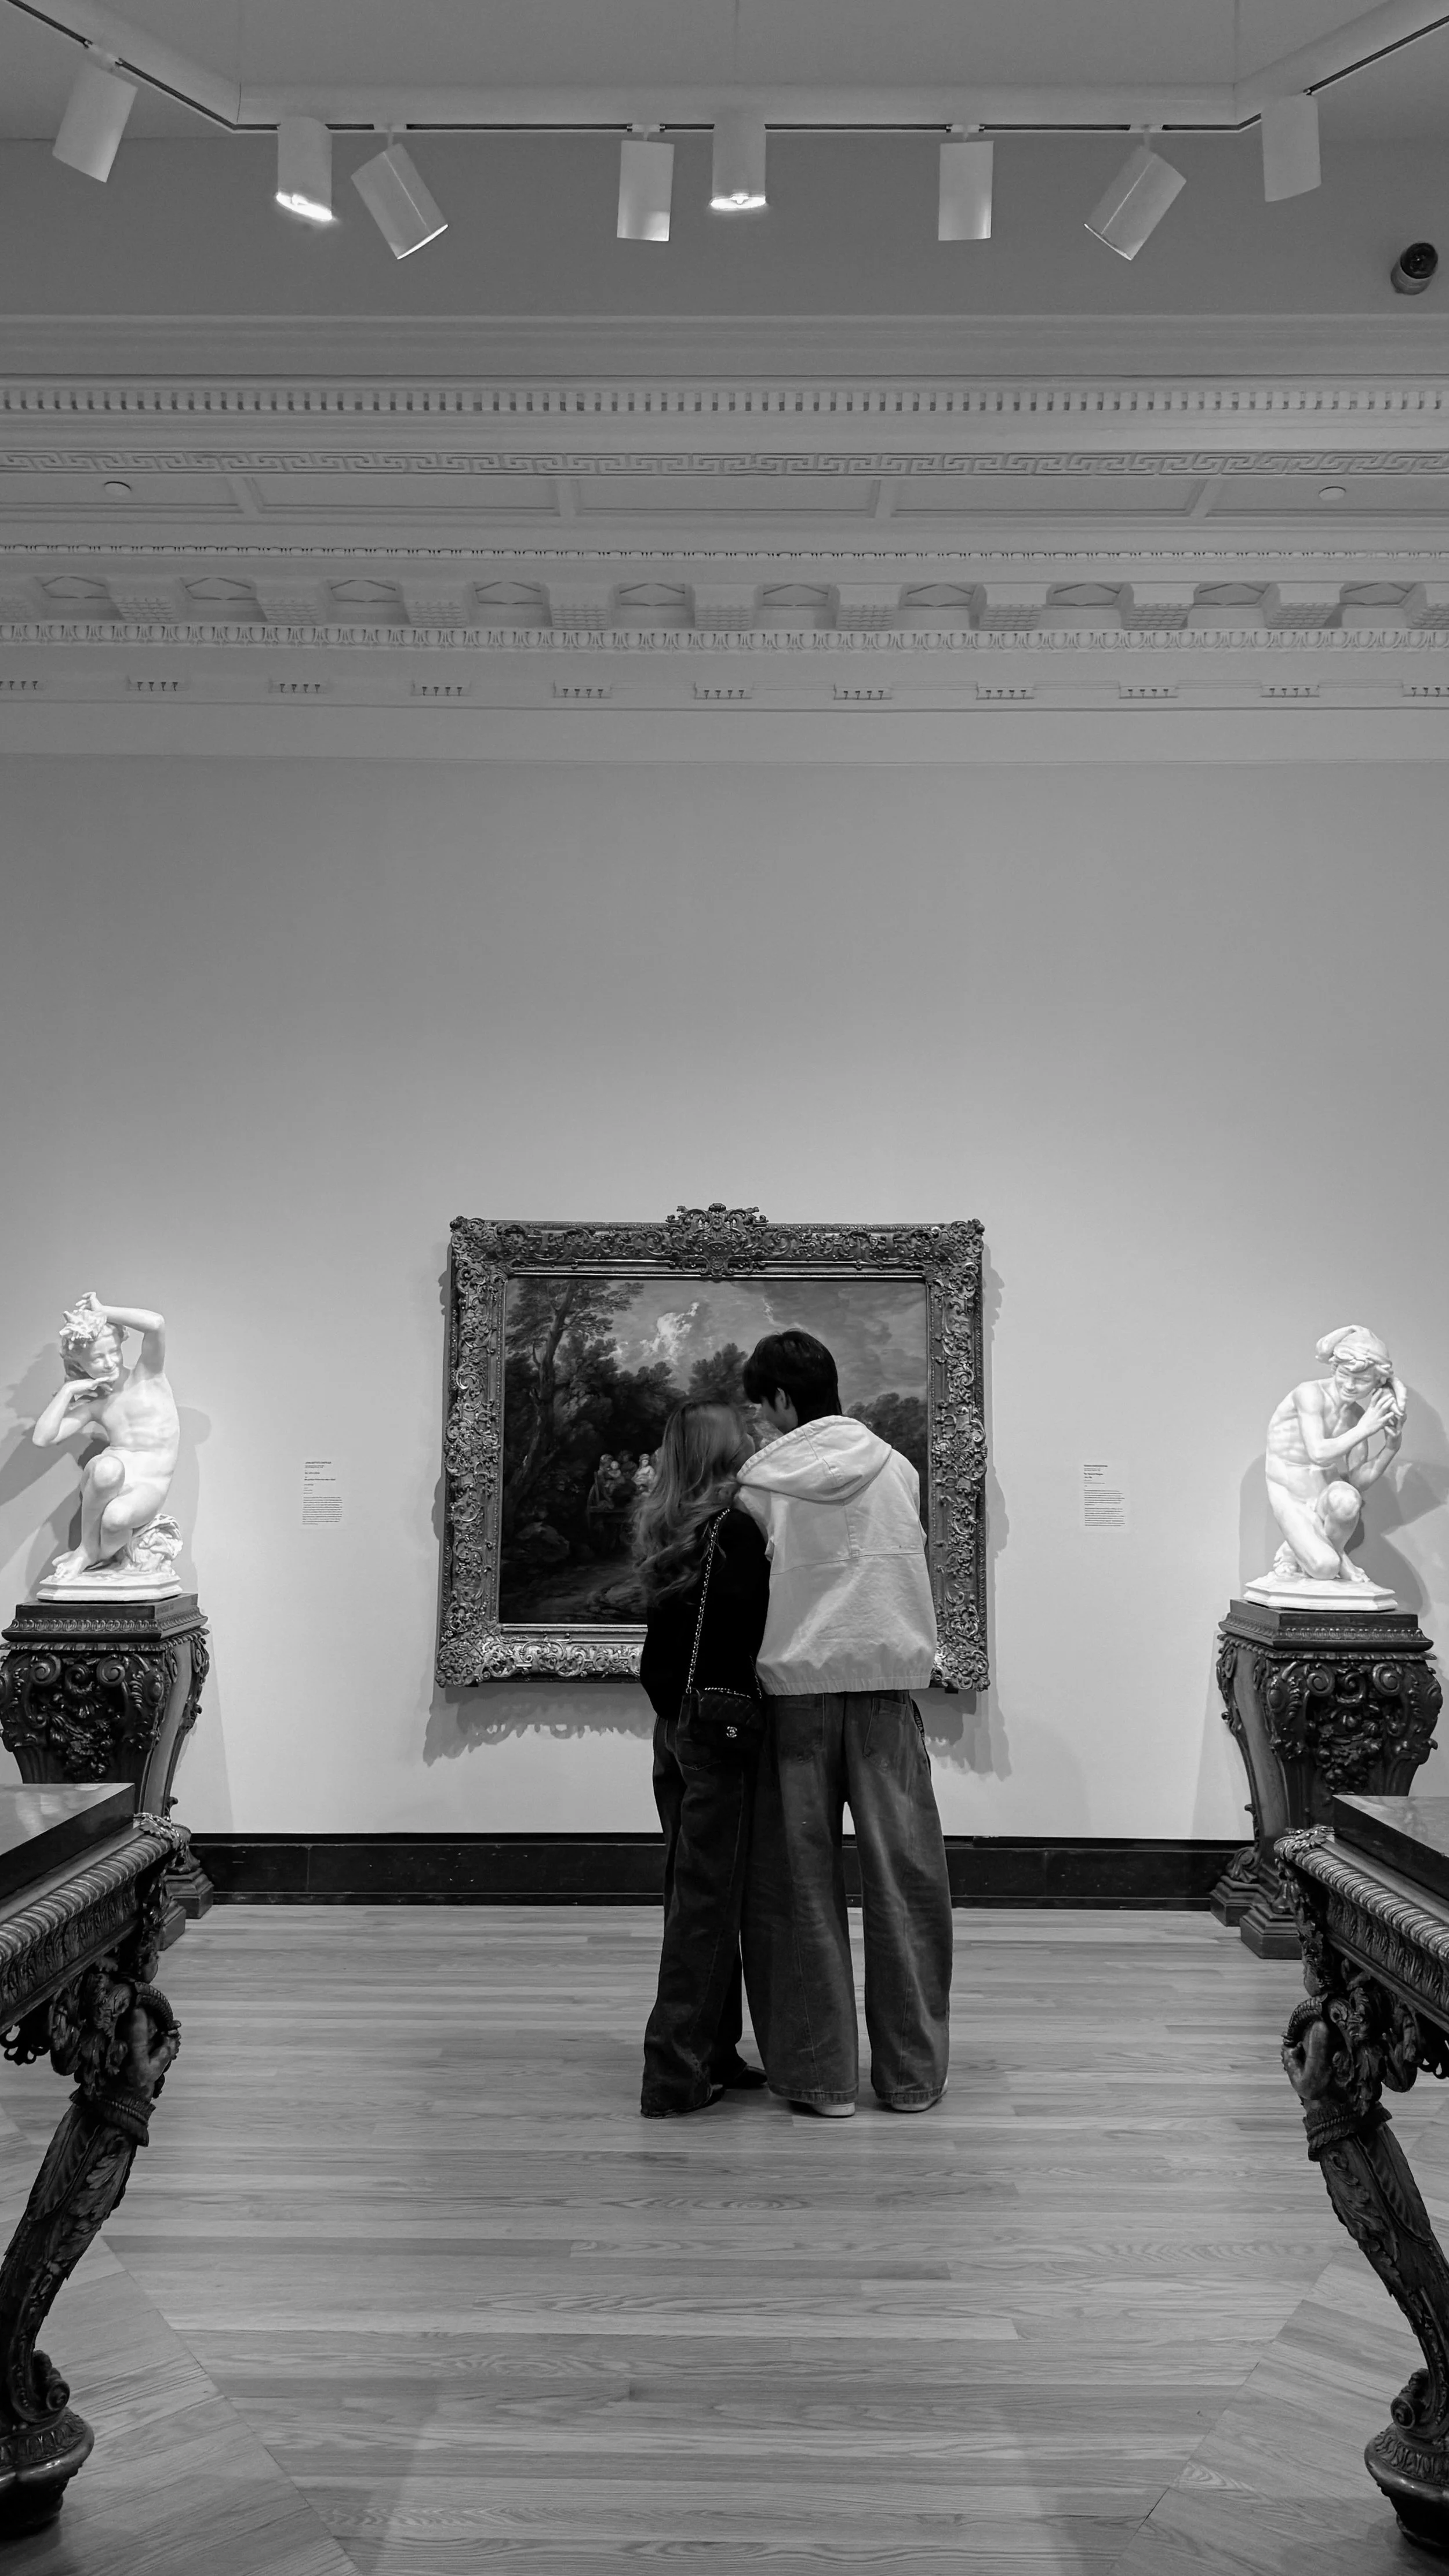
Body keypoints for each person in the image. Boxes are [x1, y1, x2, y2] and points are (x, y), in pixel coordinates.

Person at [736, 1329, 951, 2120]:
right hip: (888, 1691)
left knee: (797, 1892)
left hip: (794, 1695)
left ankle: (822, 2079)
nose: (759, 1423)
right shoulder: (898, 1468)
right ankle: (912, 2076)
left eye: (760, 1405)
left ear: (785, 1400)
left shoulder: (760, 1486)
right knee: (908, 1886)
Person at [635, 1400, 771, 2117]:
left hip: (675, 1725)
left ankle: (715, 2049)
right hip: (719, 1729)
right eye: (743, 1435)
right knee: (707, 1903)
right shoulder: (736, 1529)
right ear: (724, 1452)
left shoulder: (673, 1524)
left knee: (690, 1892)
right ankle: (676, 2072)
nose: (756, 1440)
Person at [32, 1292, 181, 1585]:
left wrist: (103, 1312)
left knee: (115, 1520)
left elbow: (156, 1324)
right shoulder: (94, 1405)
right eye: (97, 1358)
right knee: (107, 1467)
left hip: (149, 1483)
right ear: (80, 1364)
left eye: (113, 1351)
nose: (110, 1362)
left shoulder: (148, 1375)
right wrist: (67, 1392)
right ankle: (87, 1550)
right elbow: (43, 1438)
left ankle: (94, 1553)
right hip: (110, 1477)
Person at [1262, 1323, 1406, 1587]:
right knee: (1325, 1568)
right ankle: (1333, 1555)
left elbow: (1357, 1482)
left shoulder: (1357, 1418)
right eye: (1343, 1374)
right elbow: (1318, 1453)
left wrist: (1391, 1446)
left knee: (1349, 1501)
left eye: (1362, 1381)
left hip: (1323, 1491)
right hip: (1289, 1489)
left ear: (1377, 1382)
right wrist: (1365, 1429)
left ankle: (1301, 1550)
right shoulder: (1310, 1394)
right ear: (1334, 1369)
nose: (1350, 1386)